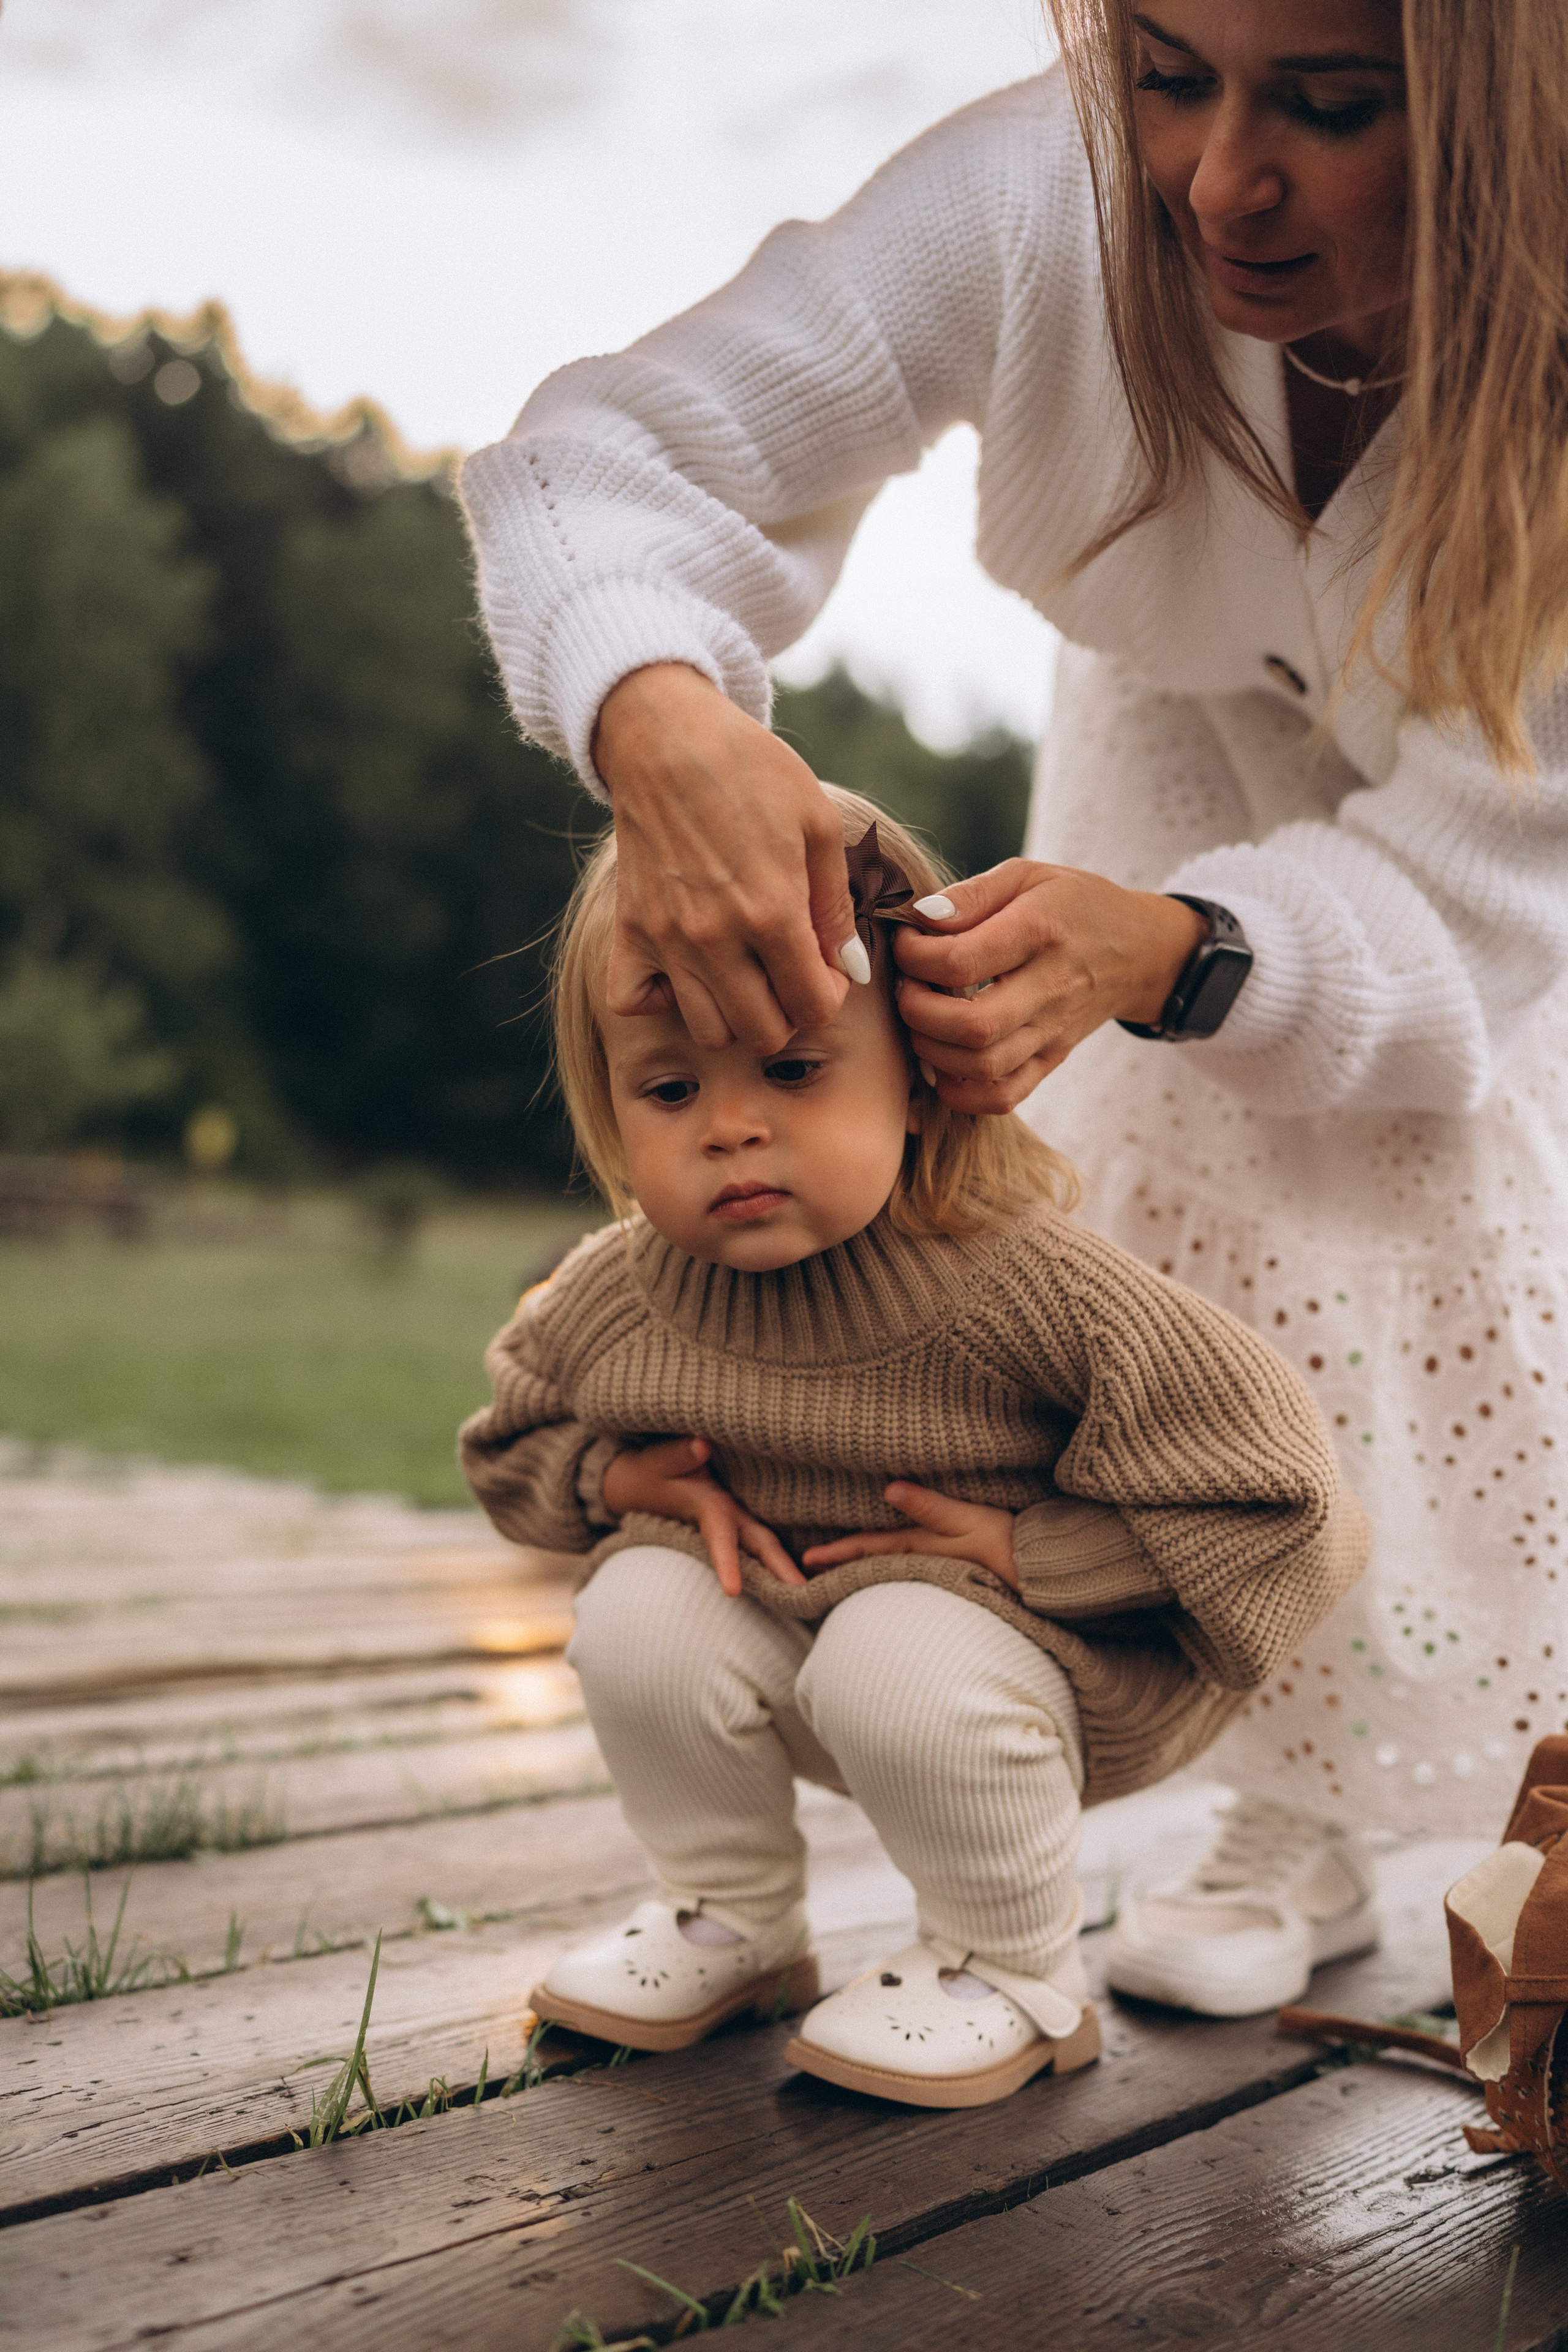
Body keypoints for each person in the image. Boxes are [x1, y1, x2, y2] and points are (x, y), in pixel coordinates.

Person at [459, 0, 1568, 2015]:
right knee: (1151, 1216)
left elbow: (1476, 913)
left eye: (1324, 107)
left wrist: (1179, 949)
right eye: (1167, 72)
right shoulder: (1035, 200)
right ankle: (1135, 1783)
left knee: (1415, 1181)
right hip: (1158, 689)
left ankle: (1303, 1816)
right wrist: (666, 717)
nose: (1220, 177)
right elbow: (589, 463)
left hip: (1458, 855)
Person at [459, 789, 1368, 2105]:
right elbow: (509, 1441)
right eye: (668, 1087)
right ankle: (733, 1922)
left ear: (923, 1073)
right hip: (788, 1624)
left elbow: (1286, 1504)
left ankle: (1012, 1967)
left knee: (897, 1654)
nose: (726, 1127)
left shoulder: (1024, 1287)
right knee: (637, 1607)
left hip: (1025, 1659)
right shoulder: (624, 1290)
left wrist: (1031, 1546)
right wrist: (613, 1480)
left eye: (790, 1068)